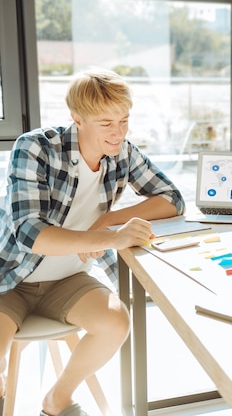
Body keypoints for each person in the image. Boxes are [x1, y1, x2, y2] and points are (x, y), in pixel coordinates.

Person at [0, 68, 185, 415]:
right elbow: (29, 233)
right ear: (77, 118)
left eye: (124, 120)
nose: (118, 134)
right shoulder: (35, 147)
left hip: (67, 280)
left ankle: (58, 398)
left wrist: (108, 220)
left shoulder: (122, 152)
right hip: (10, 279)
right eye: (106, 123)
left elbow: (173, 199)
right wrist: (108, 237)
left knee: (116, 322)